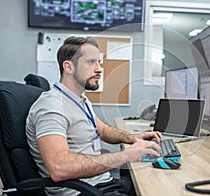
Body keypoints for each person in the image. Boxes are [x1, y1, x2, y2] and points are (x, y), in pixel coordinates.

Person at [26, 36, 163, 196]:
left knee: (159, 186)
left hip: (101, 183)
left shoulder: (79, 100)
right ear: (68, 67)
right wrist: (126, 155)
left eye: (99, 62)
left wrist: (133, 138)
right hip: (81, 192)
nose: (99, 69)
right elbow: (59, 168)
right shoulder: (52, 106)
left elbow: (102, 130)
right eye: (91, 62)